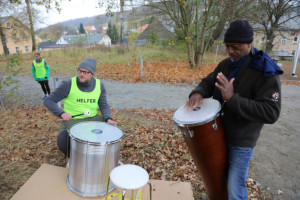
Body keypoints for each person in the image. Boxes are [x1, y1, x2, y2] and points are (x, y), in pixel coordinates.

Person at [185, 20, 283, 199]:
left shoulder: (265, 70)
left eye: (235, 46)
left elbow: (271, 112)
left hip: (241, 141)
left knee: (234, 189)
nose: (230, 51)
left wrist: (233, 98)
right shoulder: (226, 64)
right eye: (228, 46)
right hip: (218, 133)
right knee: (217, 177)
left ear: (249, 44)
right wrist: (198, 93)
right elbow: (208, 81)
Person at [44, 58, 117, 156]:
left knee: (114, 131)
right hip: (73, 120)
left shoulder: (100, 85)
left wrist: (108, 118)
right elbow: (48, 100)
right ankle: (76, 158)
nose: (81, 74)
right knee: (63, 143)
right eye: (80, 71)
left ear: (92, 74)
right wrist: (62, 113)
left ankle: (99, 156)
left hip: (93, 119)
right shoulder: (68, 84)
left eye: (85, 72)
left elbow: (103, 104)